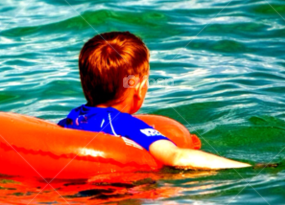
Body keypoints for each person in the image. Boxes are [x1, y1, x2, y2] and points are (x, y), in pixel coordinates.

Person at [59, 32, 250, 169]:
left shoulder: (75, 116)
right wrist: (249, 168)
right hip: (118, 203)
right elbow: (176, 157)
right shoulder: (125, 124)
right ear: (139, 89)